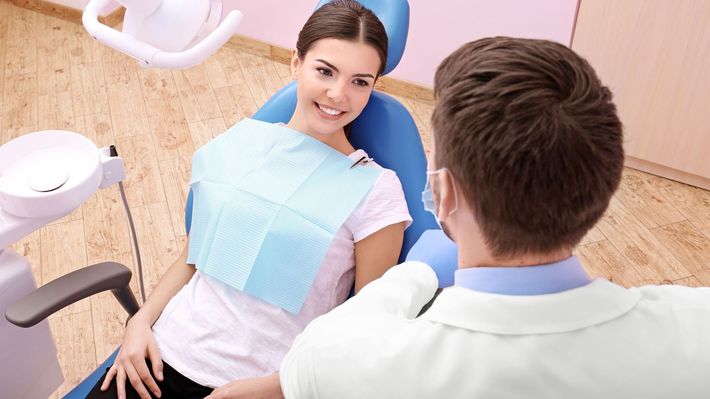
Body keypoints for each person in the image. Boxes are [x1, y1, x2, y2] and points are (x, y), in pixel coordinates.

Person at [274, 37, 710, 398]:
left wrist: (415, 274)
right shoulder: (695, 333)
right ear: (605, 184)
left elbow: (314, 357)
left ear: (443, 195)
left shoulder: (341, 359)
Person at [87, 1, 411, 398]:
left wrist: (275, 388)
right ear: (296, 63)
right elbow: (192, 259)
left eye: (360, 81)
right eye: (325, 71)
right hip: (157, 357)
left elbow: (364, 326)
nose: (338, 94)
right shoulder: (243, 142)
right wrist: (139, 323)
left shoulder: (375, 189)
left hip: (261, 385)